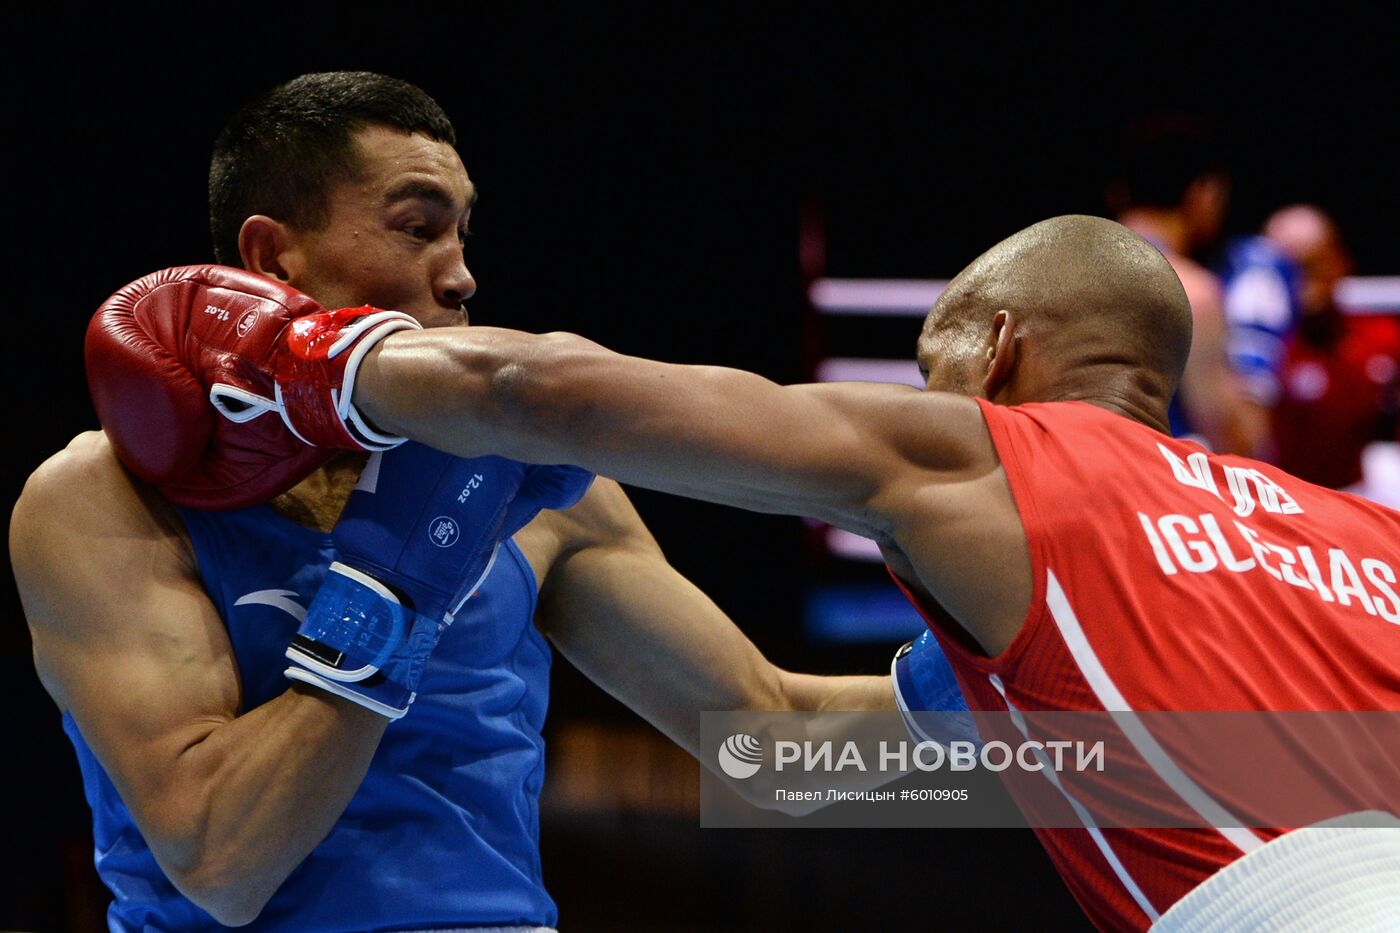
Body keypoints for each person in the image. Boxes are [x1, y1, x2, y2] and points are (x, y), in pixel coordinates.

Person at [9, 72, 928, 931]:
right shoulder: (107, 498)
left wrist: (1041, 739)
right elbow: (223, 862)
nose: (460, 276)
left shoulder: (534, 488)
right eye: (417, 227)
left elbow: (769, 746)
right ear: (271, 256)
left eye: (464, 235)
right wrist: (393, 584)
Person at [305, 214, 1397, 930]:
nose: (930, 401)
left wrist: (296, 358)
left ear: (996, 351)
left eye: (932, 371)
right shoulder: (1358, 537)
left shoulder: (996, 459)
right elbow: (785, 751)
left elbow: (522, 390)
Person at [1109, 115, 1286, 458]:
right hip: (1148, 495)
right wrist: (1255, 369)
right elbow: (1238, 444)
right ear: (1203, 194)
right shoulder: (1189, 292)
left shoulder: (1054, 277)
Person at [1263, 204, 1400, 504]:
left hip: (1357, 496)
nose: (1303, 284)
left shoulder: (1384, 338)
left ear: (1339, 261)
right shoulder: (1257, 347)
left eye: (1313, 267)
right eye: (1288, 271)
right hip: (1275, 501)